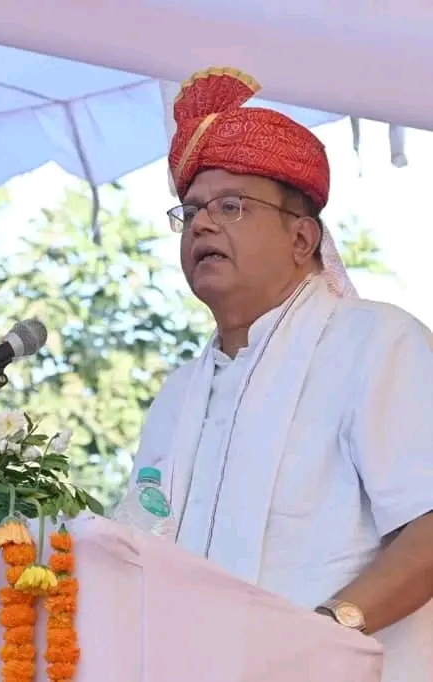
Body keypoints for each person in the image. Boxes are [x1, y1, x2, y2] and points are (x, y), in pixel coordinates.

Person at [133, 67, 433, 681]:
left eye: (231, 206)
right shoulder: (178, 394)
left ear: (302, 239)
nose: (202, 225)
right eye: (190, 211)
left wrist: (324, 632)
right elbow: (139, 541)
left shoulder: (376, 342)